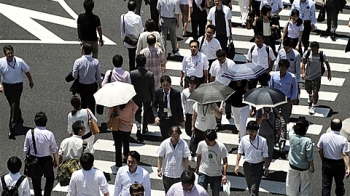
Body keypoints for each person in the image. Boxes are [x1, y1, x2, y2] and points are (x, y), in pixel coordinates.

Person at [0, 45, 34, 140]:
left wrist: (31, 81)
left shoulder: (19, 61)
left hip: (17, 86)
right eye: (8, 54)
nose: (10, 55)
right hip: (7, 86)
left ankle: (12, 128)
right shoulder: (1, 62)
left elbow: (27, 71)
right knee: (13, 105)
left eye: (11, 53)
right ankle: (18, 117)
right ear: (5, 54)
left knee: (14, 106)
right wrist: (0, 85)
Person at [23, 112, 59, 196]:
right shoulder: (49, 134)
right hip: (46, 159)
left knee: (36, 179)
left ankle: (37, 194)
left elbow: (26, 149)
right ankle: (47, 194)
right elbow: (54, 150)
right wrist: (56, 161)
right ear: (45, 122)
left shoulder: (30, 132)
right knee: (50, 178)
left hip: (33, 159)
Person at [235, 121, 270, 196]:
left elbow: (265, 155)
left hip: (258, 167)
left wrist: (266, 167)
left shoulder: (262, 141)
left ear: (257, 131)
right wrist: (237, 165)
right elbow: (239, 152)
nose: (250, 133)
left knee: (254, 189)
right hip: (247, 166)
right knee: (251, 187)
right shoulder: (244, 139)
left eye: (253, 131)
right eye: (249, 131)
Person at [270, 59, 298, 151]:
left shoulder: (292, 77)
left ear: (287, 68)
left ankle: (282, 142)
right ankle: (274, 138)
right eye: (281, 68)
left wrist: (293, 98)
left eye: (284, 69)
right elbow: (271, 87)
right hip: (276, 100)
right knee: (274, 120)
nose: (282, 70)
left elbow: (294, 88)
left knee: (284, 121)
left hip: (287, 100)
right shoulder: (273, 75)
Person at [317, 118, 350, 196]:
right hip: (339, 164)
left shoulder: (323, 136)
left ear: (330, 126)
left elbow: (319, 149)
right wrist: (348, 167)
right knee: (339, 184)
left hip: (327, 162)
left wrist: (323, 159)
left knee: (326, 185)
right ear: (340, 128)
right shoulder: (343, 140)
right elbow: (344, 154)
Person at [157, 126, 191, 193]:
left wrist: (186, 172)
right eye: (174, 135)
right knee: (168, 192)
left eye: (177, 135)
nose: (176, 137)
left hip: (179, 174)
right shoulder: (165, 143)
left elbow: (186, 158)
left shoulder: (183, 144)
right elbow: (160, 157)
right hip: (167, 173)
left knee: (179, 192)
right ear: (170, 135)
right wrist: (159, 169)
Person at [286, 117, 314, 196]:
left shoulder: (292, 136)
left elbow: (291, 128)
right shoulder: (307, 141)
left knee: (291, 185)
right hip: (304, 167)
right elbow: (309, 156)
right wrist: (312, 166)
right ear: (306, 129)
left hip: (293, 165)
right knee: (305, 185)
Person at [301, 41, 331, 115]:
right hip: (308, 75)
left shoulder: (321, 54)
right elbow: (303, 63)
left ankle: (313, 105)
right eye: (313, 49)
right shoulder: (307, 53)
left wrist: (329, 73)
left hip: (317, 76)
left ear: (318, 48)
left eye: (315, 49)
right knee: (308, 90)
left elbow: (327, 63)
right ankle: (310, 96)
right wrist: (303, 72)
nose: (314, 51)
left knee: (315, 91)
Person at [109, 100, 138, 174]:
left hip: (117, 127)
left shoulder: (116, 103)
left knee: (118, 146)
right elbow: (135, 109)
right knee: (126, 141)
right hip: (127, 127)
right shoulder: (132, 104)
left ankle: (118, 164)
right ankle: (126, 156)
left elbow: (109, 114)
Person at [195, 129, 228, 196]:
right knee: (201, 193)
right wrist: (197, 167)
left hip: (216, 174)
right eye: (205, 140)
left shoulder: (221, 147)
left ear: (214, 139)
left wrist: (224, 175)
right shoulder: (201, 144)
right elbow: (199, 156)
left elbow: (225, 162)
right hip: (203, 172)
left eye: (209, 141)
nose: (207, 142)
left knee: (215, 194)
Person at [72, 43, 102, 115]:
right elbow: (98, 76)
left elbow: (74, 75)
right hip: (92, 85)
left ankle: (83, 119)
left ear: (83, 51)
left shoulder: (78, 61)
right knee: (92, 102)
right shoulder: (95, 61)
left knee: (83, 103)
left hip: (82, 86)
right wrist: (100, 85)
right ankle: (92, 120)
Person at [131, 54, 155, 142]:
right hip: (147, 96)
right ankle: (145, 127)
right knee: (146, 112)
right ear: (145, 62)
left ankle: (138, 127)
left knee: (137, 112)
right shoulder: (150, 74)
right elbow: (152, 87)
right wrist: (153, 98)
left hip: (136, 96)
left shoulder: (132, 73)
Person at [152, 75, 185, 140]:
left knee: (174, 138)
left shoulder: (176, 93)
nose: (165, 87)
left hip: (173, 120)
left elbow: (179, 107)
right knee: (165, 139)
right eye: (163, 85)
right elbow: (154, 106)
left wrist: (181, 120)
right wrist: (156, 116)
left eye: (167, 85)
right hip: (163, 120)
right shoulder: (158, 92)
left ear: (170, 84)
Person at [209, 49, 235, 125]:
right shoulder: (214, 64)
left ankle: (228, 114)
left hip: (228, 86)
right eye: (218, 59)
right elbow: (212, 76)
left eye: (221, 59)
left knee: (228, 102)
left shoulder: (231, 64)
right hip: (217, 86)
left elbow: (234, 76)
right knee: (218, 105)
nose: (220, 61)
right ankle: (218, 122)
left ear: (225, 56)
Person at [120, 1, 144, 71]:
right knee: (139, 57)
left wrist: (123, 39)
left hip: (128, 40)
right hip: (137, 41)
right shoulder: (138, 17)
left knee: (131, 58)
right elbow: (141, 31)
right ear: (135, 8)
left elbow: (122, 28)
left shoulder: (123, 17)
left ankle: (132, 72)